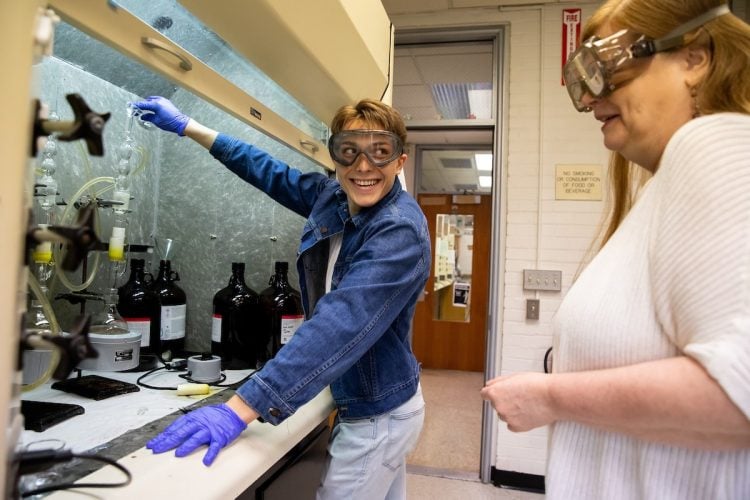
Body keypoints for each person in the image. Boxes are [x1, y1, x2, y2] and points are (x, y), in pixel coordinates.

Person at [481, 1, 750, 498]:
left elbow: (739, 392)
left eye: (607, 69)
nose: (589, 100)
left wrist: (549, 397)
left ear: (695, 58)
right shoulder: (660, 187)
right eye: (584, 81)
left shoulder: (713, 145)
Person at [132, 95, 430, 499]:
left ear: (399, 161)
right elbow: (267, 170)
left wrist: (239, 409)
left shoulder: (399, 232)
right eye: (349, 152)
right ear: (336, 158)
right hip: (368, 401)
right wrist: (190, 127)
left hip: (378, 412)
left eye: (380, 153)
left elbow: (339, 324)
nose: (364, 167)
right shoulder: (335, 197)